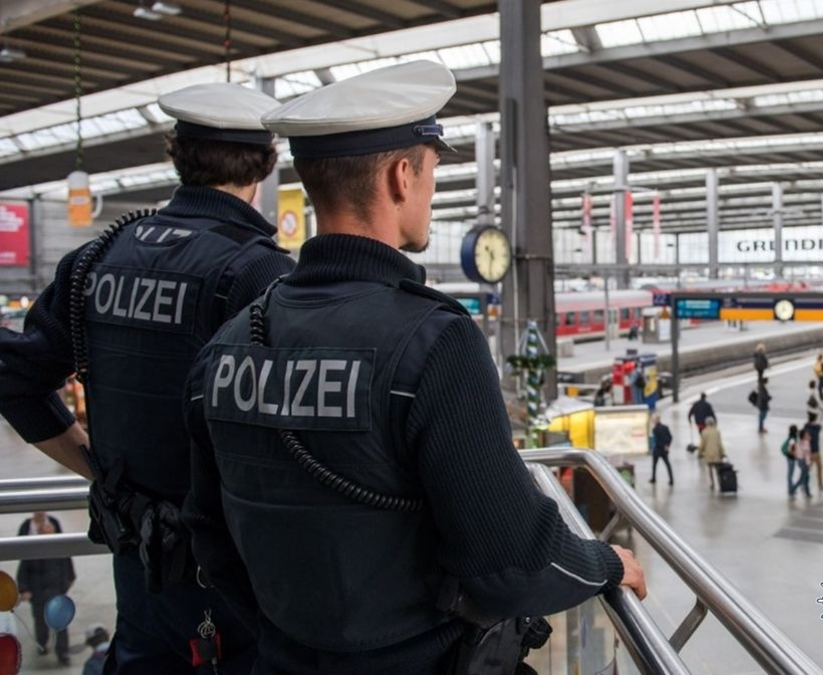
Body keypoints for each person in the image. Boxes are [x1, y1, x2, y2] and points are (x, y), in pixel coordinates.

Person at [182, 62, 645, 674]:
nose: (430, 192)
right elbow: (512, 566)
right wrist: (607, 563)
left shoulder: (230, 344)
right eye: (431, 172)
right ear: (403, 176)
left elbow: (210, 541)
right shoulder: (434, 341)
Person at [0, 83, 294, 674]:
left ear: (175, 154)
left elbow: (15, 378)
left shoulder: (93, 260)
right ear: (265, 167)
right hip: (236, 582)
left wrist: (98, 468)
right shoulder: (260, 271)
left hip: (138, 570)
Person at [16, 513, 74, 665]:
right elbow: (24, 565)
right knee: (40, 621)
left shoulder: (55, 530)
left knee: (60, 622)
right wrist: (24, 588)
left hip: (55, 585)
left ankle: (63, 652)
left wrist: (69, 576)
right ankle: (42, 644)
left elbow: (65, 555)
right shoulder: (29, 539)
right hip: (38, 587)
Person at [806, 381, 823, 490]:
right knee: (817, 467)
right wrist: (822, 409)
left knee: (813, 467)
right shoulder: (817, 428)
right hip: (815, 452)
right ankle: (819, 484)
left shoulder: (806, 427)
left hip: (812, 451)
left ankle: (806, 482)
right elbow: (818, 401)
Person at [699, 417, 726, 490]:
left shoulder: (704, 432)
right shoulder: (717, 431)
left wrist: (699, 453)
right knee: (718, 469)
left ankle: (712, 483)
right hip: (716, 453)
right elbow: (720, 443)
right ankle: (720, 482)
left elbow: (702, 444)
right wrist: (723, 453)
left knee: (710, 469)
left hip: (709, 454)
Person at [649, 414, 674, 486]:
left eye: (654, 419)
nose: (653, 421)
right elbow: (670, 437)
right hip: (664, 450)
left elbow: (656, 440)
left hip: (657, 449)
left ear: (657, 420)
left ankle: (653, 478)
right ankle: (671, 479)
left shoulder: (655, 429)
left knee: (654, 465)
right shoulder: (665, 427)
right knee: (667, 465)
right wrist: (667, 445)